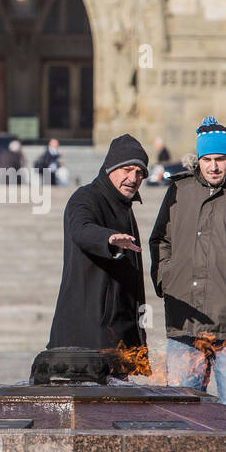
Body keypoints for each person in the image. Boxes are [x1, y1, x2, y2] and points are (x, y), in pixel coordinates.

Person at [149, 116, 226, 408]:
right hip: (185, 318)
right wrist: (165, 279)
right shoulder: (180, 190)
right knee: (181, 412)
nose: (214, 166)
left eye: (221, 159)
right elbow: (160, 240)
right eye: (207, 159)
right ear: (199, 159)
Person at [48, 134, 148, 363]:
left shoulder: (124, 205)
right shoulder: (86, 197)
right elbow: (81, 229)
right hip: (88, 340)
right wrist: (108, 238)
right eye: (127, 169)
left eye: (139, 173)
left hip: (118, 335)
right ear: (110, 168)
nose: (133, 178)